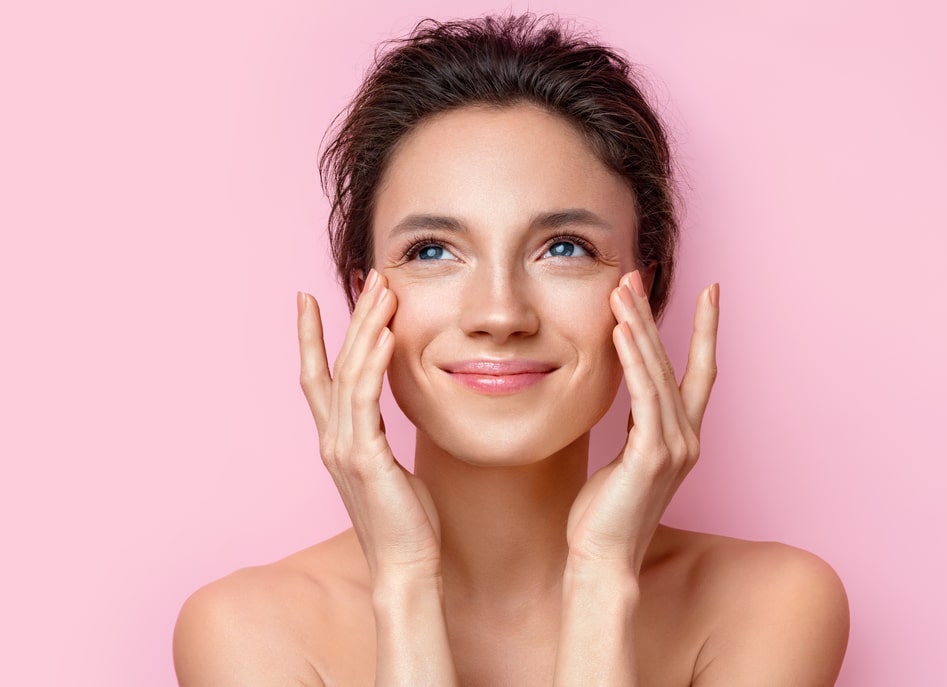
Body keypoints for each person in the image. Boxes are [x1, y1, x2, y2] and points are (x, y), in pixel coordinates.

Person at [173, 14, 849, 686]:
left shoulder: (771, 607)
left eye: (565, 248)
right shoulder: (248, 631)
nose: (501, 313)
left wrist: (601, 578)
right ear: (364, 299)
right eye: (432, 251)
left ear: (644, 291)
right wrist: (405, 586)